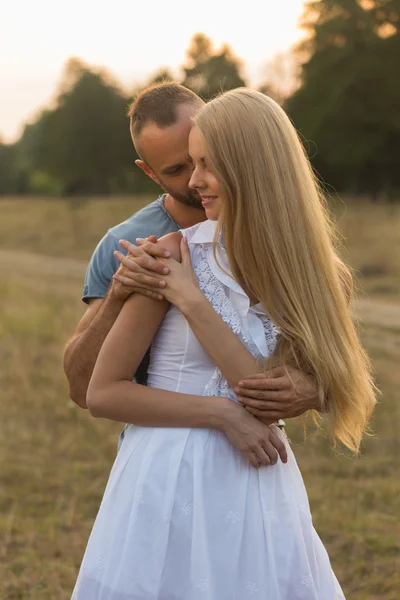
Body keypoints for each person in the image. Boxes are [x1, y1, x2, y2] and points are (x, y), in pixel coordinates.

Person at [70, 89, 376, 599]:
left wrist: (192, 301)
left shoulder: (317, 273)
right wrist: (221, 412)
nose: (194, 181)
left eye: (207, 164)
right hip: (168, 476)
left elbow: (272, 391)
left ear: (253, 167)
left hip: (257, 475)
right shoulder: (163, 253)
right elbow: (96, 391)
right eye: (188, 165)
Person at [63, 82, 320, 428]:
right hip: (171, 446)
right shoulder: (129, 244)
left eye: (204, 157)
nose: (195, 179)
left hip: (261, 451)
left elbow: (327, 358)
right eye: (176, 170)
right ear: (150, 172)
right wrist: (117, 294)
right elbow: (84, 390)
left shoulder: (282, 238)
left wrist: (314, 388)